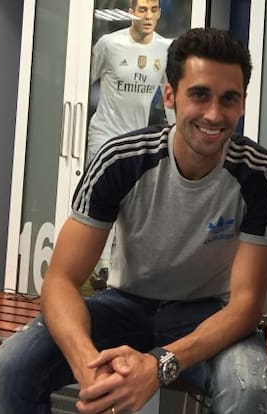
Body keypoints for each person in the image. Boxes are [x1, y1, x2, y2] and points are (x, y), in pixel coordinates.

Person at [0, 28, 267, 414]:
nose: (214, 114)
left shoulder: (261, 174)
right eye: (199, 95)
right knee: (10, 369)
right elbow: (60, 280)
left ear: (242, 103)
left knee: (247, 389)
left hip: (211, 313)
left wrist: (158, 366)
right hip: (123, 305)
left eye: (229, 98)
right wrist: (88, 368)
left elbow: (245, 306)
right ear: (170, 96)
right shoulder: (121, 159)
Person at [87, 0, 172, 281]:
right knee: (101, 198)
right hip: (104, 134)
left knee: (131, 203)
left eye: (153, 9)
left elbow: (170, 96)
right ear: (131, 12)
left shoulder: (166, 48)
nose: (148, 16)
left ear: (159, 13)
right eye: (142, 9)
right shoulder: (109, 44)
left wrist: (175, 132)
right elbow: (82, 81)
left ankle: (117, 266)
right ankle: (99, 265)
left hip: (136, 139)